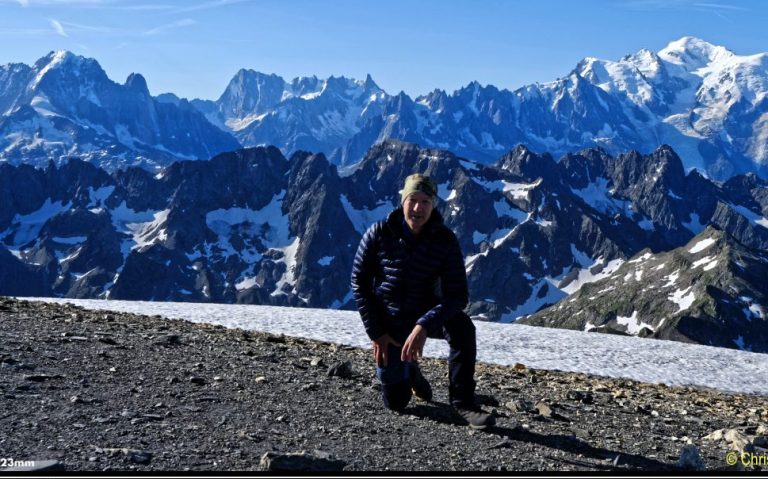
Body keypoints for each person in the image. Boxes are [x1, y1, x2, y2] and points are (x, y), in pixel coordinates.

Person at [350, 173, 494, 429]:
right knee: (396, 402)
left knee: (462, 327)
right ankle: (410, 369)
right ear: (402, 200)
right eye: (412, 200)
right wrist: (377, 333)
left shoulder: (445, 240)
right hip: (390, 324)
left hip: (426, 317)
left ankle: (463, 403)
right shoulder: (379, 233)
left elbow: (457, 296)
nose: (417, 208)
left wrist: (424, 325)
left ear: (433, 205)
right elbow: (359, 284)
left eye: (425, 201)